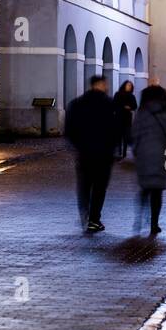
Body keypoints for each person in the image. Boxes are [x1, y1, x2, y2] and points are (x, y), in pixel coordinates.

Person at [64, 75, 117, 233]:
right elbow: (115, 129)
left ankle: (84, 214)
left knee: (84, 186)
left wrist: (78, 146)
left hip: (84, 153)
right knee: (99, 187)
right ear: (100, 84)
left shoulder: (76, 104)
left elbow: (69, 130)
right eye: (105, 84)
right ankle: (94, 219)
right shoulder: (109, 104)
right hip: (103, 154)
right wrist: (112, 147)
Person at [131, 84, 166, 238]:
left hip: (144, 155)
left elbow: (135, 134)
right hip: (162, 155)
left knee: (144, 189)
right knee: (157, 192)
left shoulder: (141, 112)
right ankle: (154, 223)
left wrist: (136, 151)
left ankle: (139, 219)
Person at [113, 80, 137, 158]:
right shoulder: (118, 94)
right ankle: (119, 152)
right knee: (119, 136)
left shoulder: (132, 96)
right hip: (119, 117)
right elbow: (114, 104)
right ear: (124, 85)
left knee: (126, 136)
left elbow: (135, 106)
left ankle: (124, 153)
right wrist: (123, 107)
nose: (129, 86)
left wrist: (130, 107)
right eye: (128, 85)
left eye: (130, 86)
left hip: (127, 118)